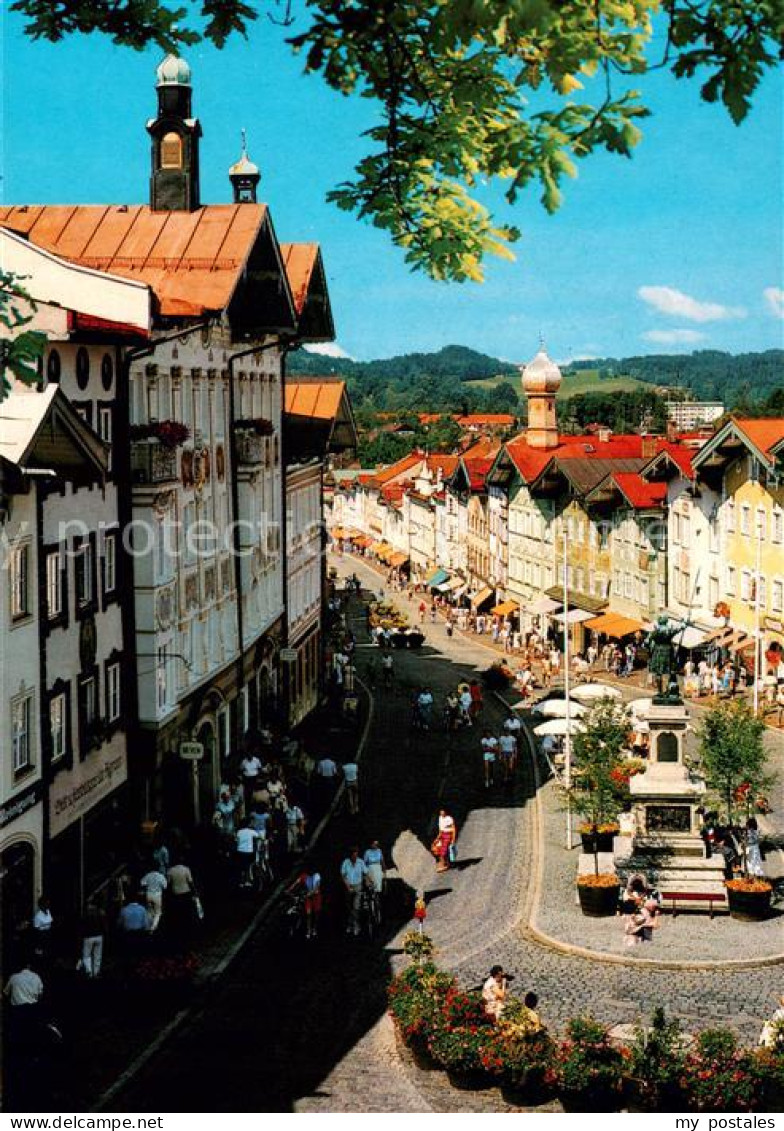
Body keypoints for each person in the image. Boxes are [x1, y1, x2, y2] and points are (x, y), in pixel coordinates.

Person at [340, 847, 368, 936]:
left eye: (356, 854)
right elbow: (343, 876)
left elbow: (366, 873)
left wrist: (370, 881)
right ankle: (350, 924)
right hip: (348, 886)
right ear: (351, 855)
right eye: (353, 855)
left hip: (358, 886)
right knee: (349, 908)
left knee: (356, 907)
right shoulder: (345, 862)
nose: (355, 857)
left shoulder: (360, 862)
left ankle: (356, 925)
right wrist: (348, 886)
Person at [79, 899, 106, 978]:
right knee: (97, 956)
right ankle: (96, 972)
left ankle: (89, 972)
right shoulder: (100, 912)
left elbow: (82, 926)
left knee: (86, 955)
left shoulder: (85, 913)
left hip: (88, 936)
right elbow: (104, 925)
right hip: (99, 936)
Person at [139, 863, 168, 931]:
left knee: (149, 912)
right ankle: (153, 928)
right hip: (157, 895)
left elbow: (142, 883)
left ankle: (148, 927)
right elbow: (165, 886)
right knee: (158, 913)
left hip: (148, 894)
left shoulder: (148, 875)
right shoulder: (161, 876)